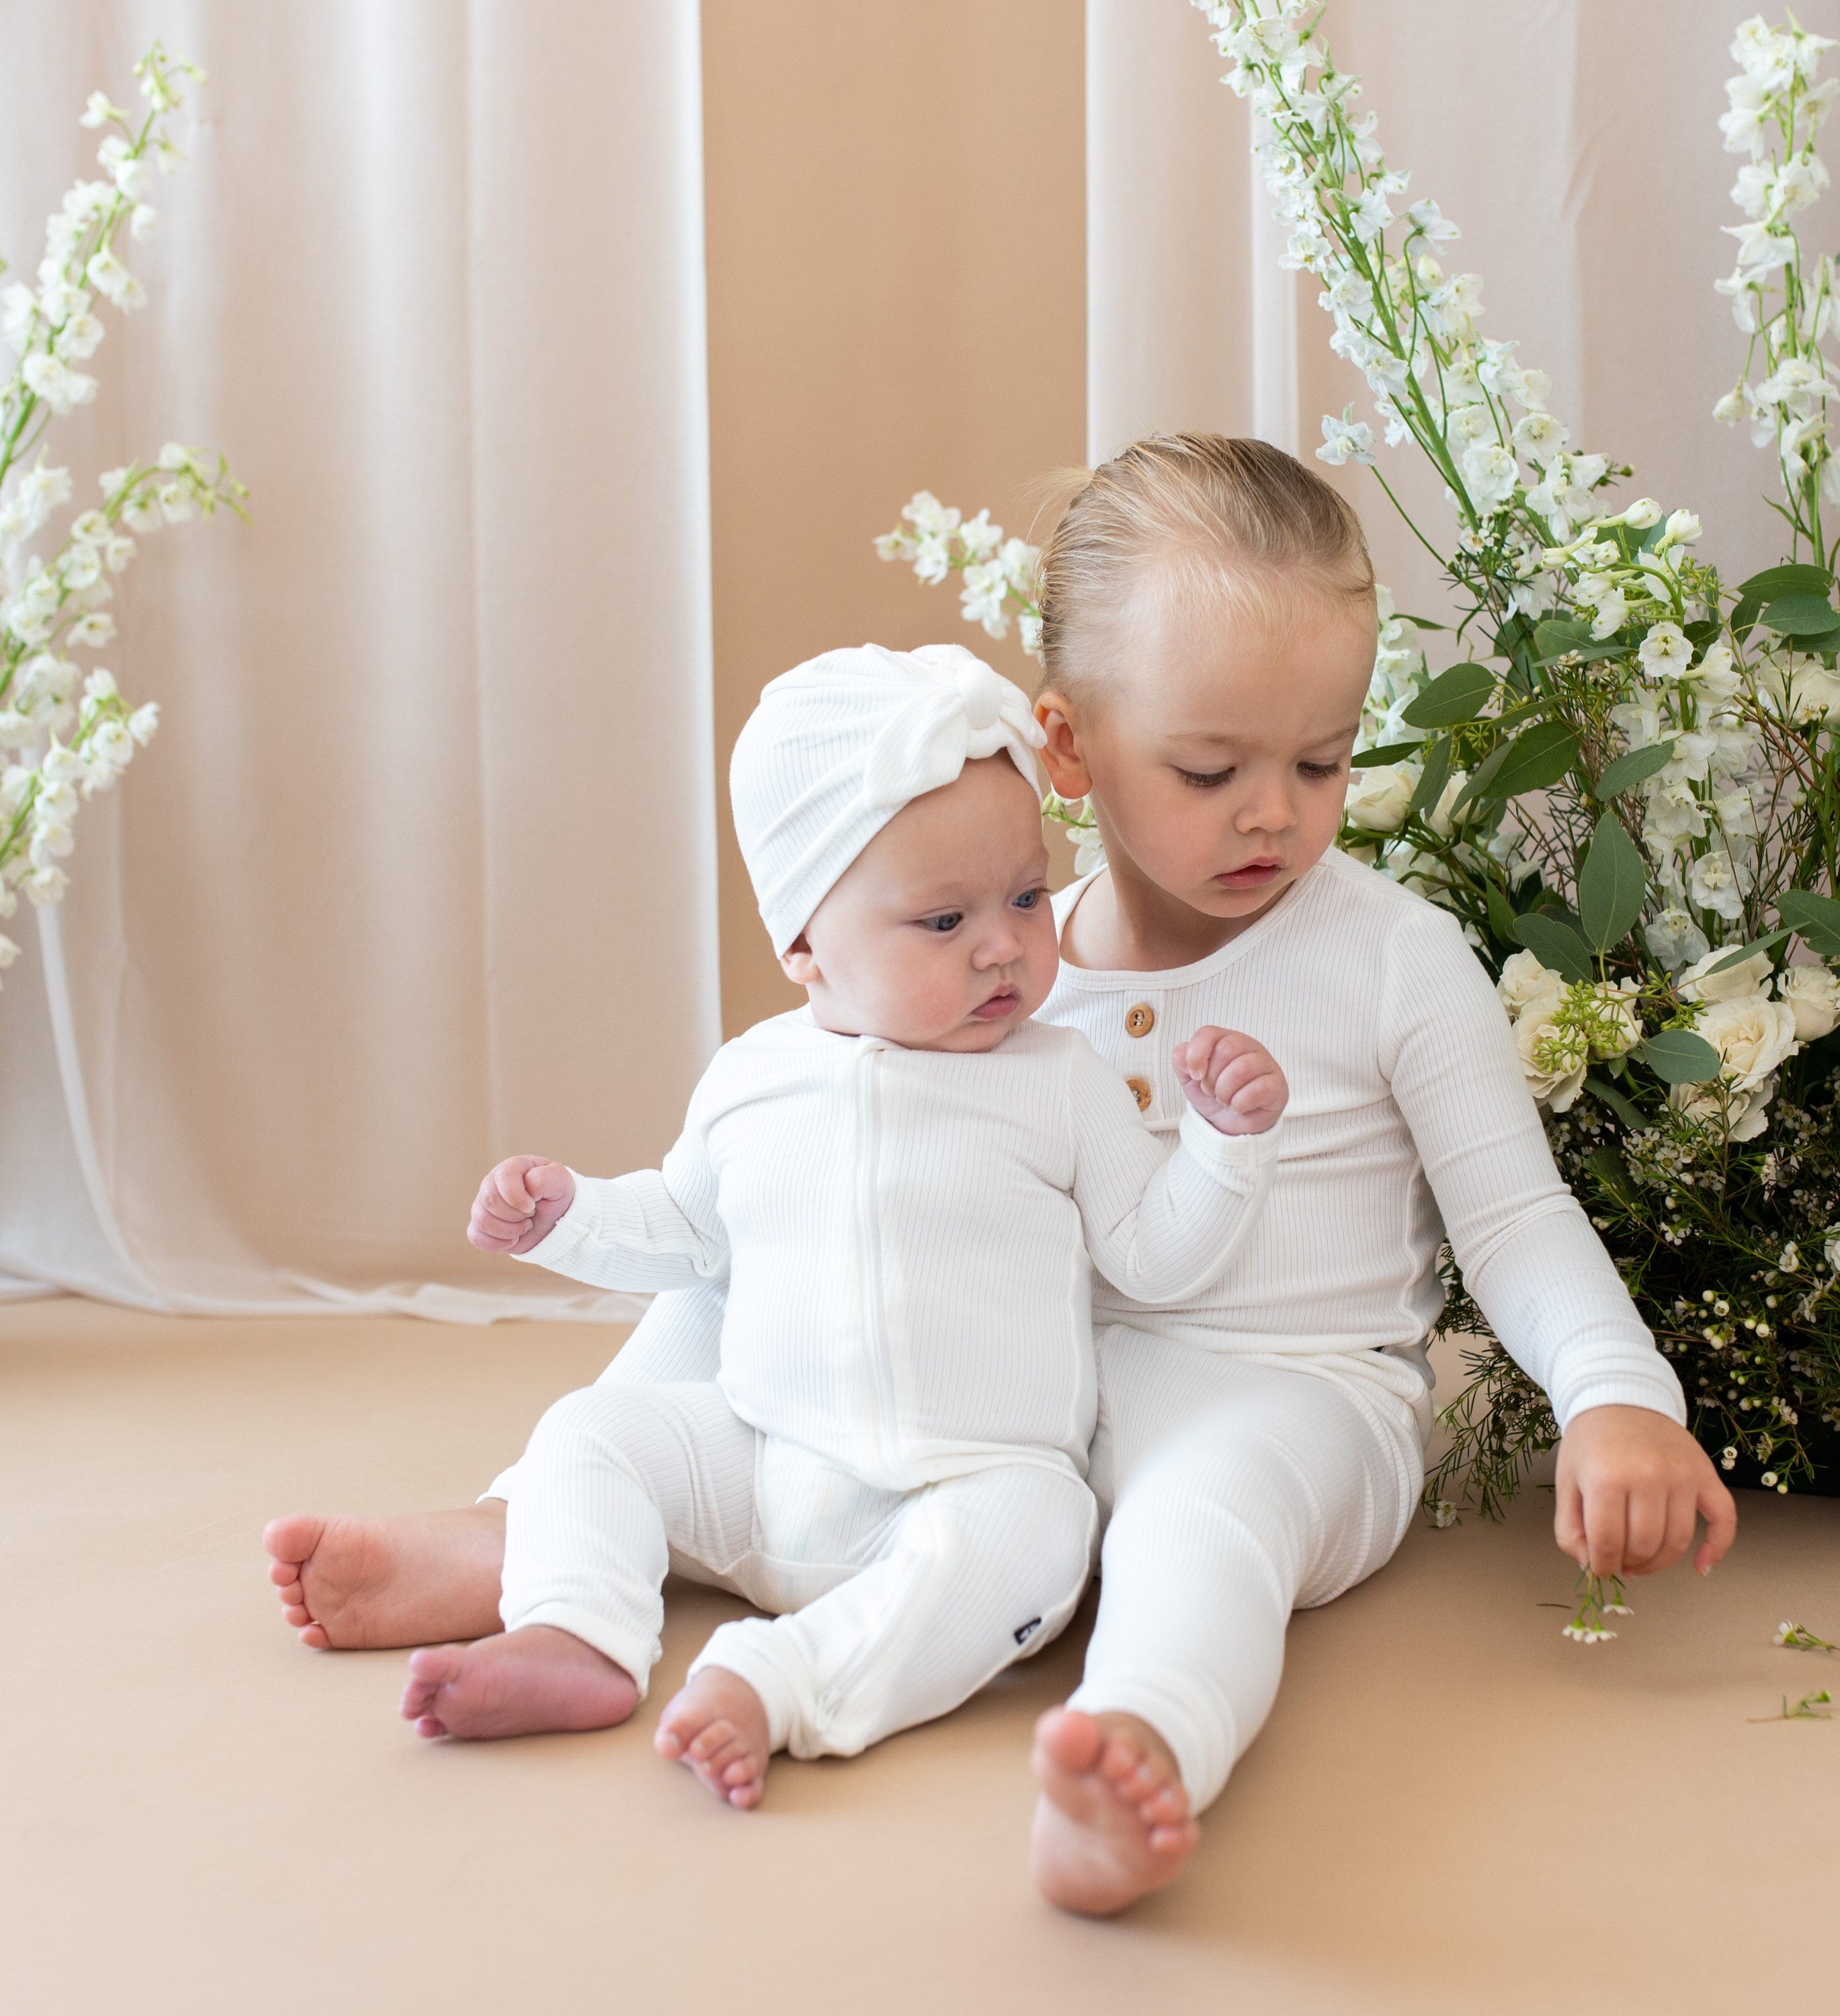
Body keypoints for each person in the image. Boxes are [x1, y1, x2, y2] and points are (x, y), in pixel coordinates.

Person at [266, 433, 1735, 1915]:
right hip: (1017, 1391)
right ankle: (532, 1531)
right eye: (1211, 769)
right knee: (737, 1272)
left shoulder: (1391, 958)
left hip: (1284, 1388)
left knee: (1201, 1510)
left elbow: (1514, 1214)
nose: (1275, 813)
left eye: (1323, 761)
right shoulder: (1001, 949)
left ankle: (1141, 1741)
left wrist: (1616, 1398)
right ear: (1069, 750)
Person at [383, 640, 1288, 1813]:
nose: (1004, 944)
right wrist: (572, 1217)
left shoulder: (1057, 1078)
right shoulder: (752, 1075)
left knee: (1043, 1531)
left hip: (963, 1482)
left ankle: (783, 1682)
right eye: (943, 918)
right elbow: (688, 1234)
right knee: (591, 1429)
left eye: (1026, 897)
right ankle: (575, 1630)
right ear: (804, 944)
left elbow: (1155, 1256)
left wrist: (1223, 1147)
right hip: (761, 1459)